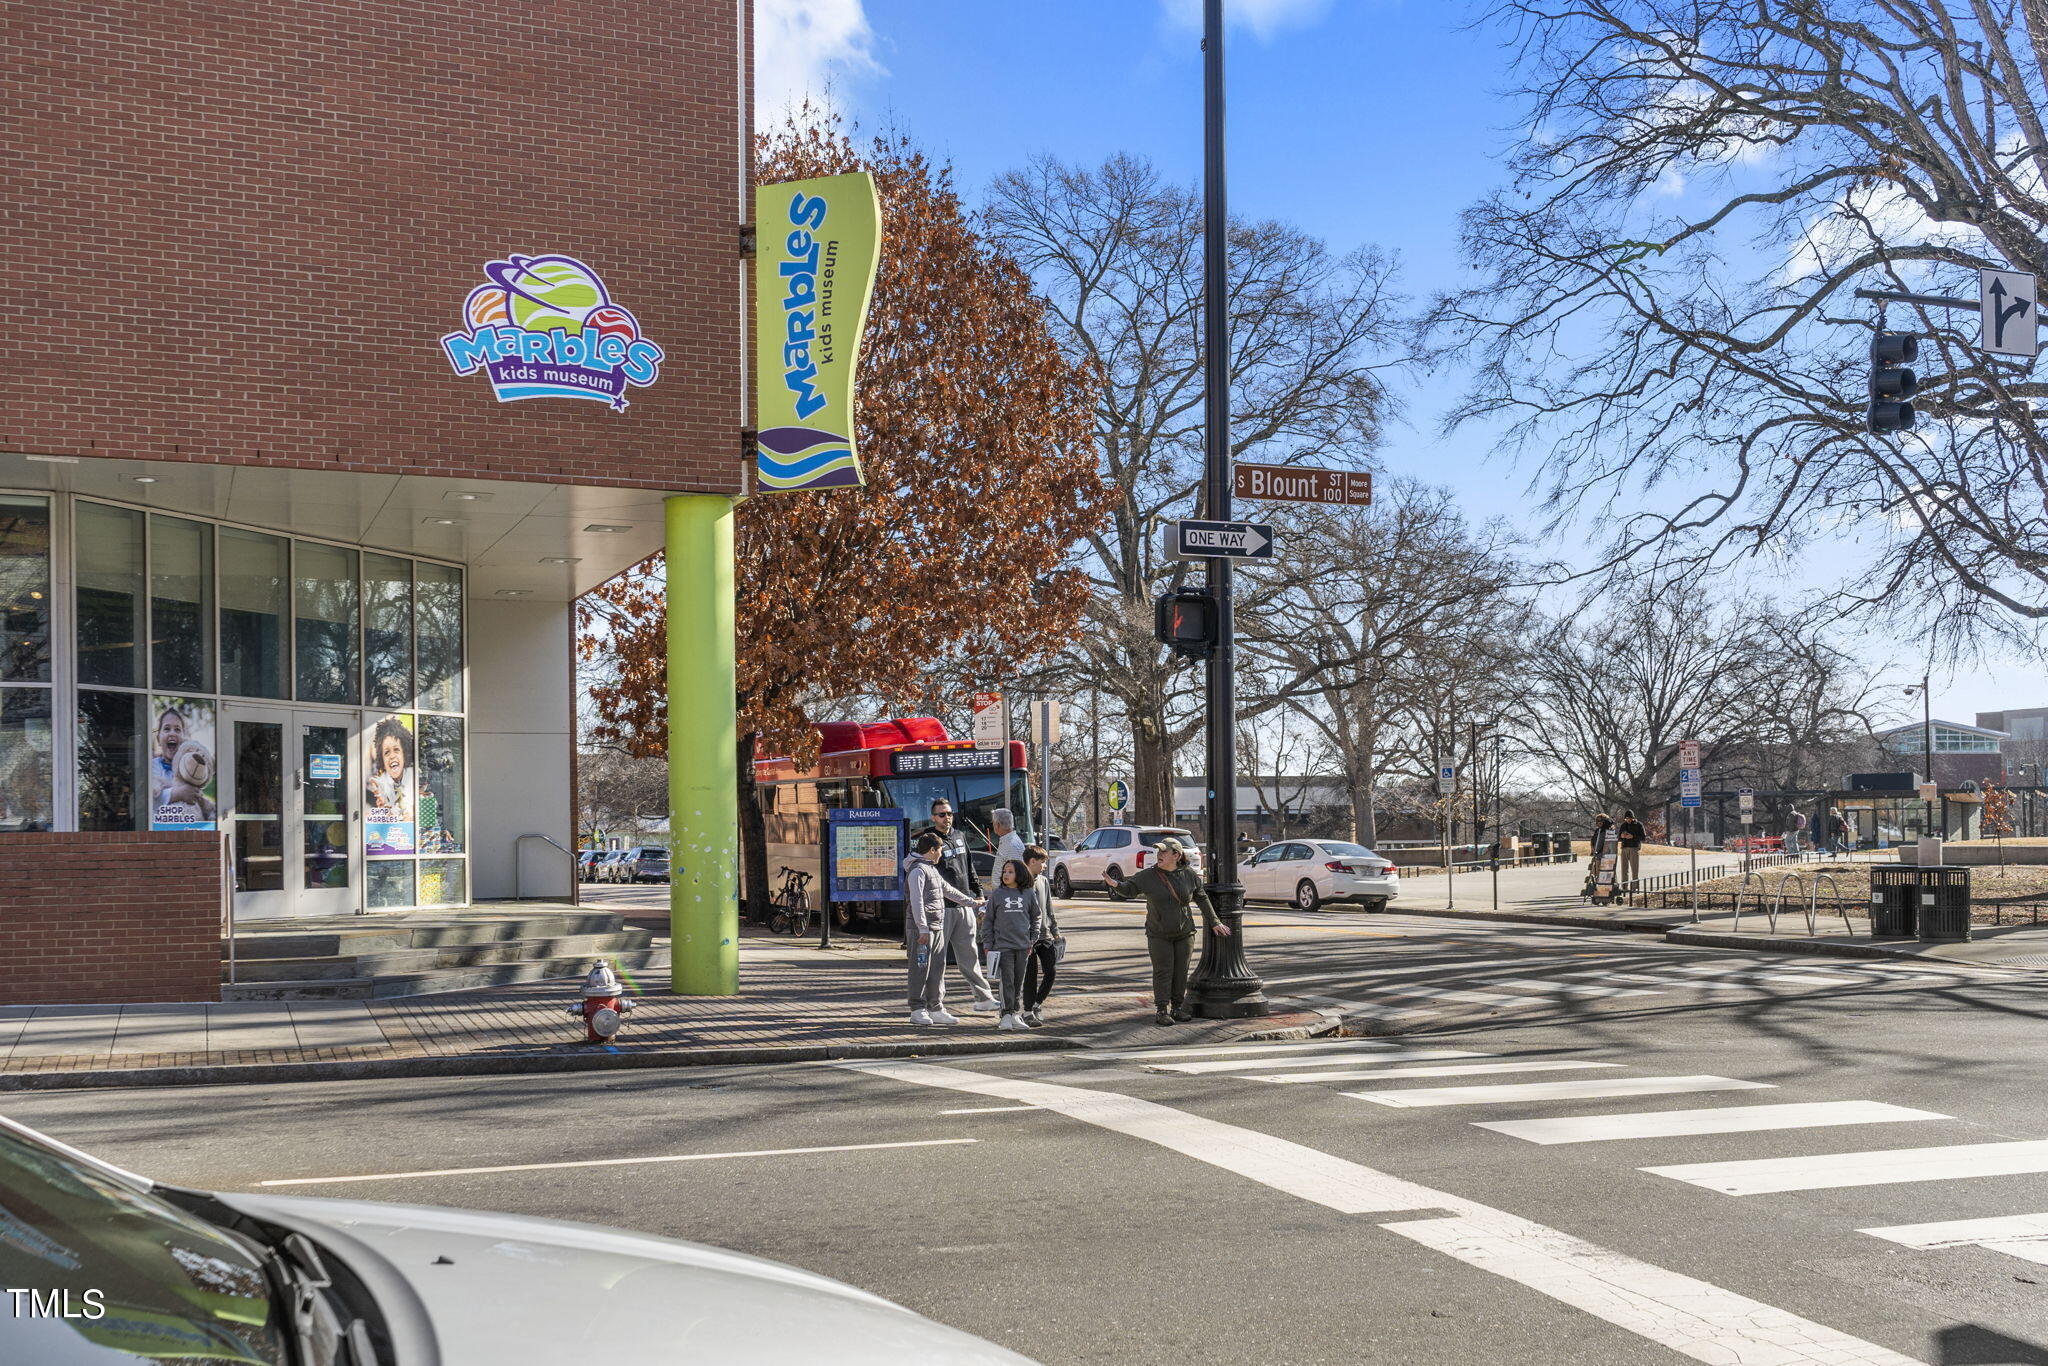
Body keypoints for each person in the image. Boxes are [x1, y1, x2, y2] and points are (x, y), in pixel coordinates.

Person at [1106, 837, 1228, 1025]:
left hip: (1185, 932)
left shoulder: (1189, 875)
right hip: (1158, 933)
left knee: (1181, 971)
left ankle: (1177, 1008)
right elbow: (1130, 889)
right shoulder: (1148, 875)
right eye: (1158, 851)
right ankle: (1162, 1010)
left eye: (1164, 851)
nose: (1159, 855)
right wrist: (1116, 885)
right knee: (1163, 971)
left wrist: (1214, 922)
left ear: (1176, 855)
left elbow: (1202, 898)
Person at [913, 798, 997, 1012]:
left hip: (964, 905)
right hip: (942, 909)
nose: (946, 817)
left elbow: (969, 868)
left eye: (949, 813)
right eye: (941, 814)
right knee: (938, 961)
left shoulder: (960, 836)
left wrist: (977, 893)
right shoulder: (928, 840)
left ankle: (983, 998)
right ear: (933, 817)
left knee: (970, 955)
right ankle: (936, 1005)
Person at [902, 832, 980, 1027]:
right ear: (932, 850)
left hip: (936, 926)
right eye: (940, 851)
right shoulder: (918, 870)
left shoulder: (932, 870)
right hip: (922, 930)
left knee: (937, 967)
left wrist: (972, 903)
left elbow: (948, 890)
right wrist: (922, 928)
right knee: (920, 968)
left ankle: (935, 1007)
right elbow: (916, 901)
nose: (941, 855)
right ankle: (917, 1009)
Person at [978, 858, 1044, 1032]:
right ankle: (1005, 1015)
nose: (1006, 874)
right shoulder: (997, 894)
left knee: (1018, 981)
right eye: (1005, 871)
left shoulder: (1029, 893)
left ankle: (1015, 1013)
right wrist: (988, 943)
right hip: (1003, 946)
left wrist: (1033, 937)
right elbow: (988, 921)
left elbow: (1036, 915)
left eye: (1010, 872)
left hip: (1023, 946)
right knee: (1007, 980)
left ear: (1020, 874)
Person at [1022, 844, 1060, 1027]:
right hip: (1026, 937)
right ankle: (1028, 1011)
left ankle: (1037, 1003)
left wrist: (1055, 931)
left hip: (1044, 936)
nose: (1044, 866)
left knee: (1051, 971)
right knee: (1030, 975)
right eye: (1042, 863)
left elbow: (1048, 908)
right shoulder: (1020, 882)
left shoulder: (1043, 881)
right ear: (1032, 862)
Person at [1582, 813, 1614, 896]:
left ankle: (1604, 892)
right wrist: (1592, 849)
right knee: (1596, 874)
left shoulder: (1608, 830)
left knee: (1604, 875)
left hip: (1605, 857)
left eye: (1601, 821)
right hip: (1597, 856)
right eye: (1598, 821)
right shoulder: (1598, 831)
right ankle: (1597, 890)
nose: (1599, 823)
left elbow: (1608, 844)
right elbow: (1594, 841)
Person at [1616, 809, 1646, 885]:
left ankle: (1634, 887)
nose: (1628, 820)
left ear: (1633, 818)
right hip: (1624, 848)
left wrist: (1633, 836)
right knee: (1624, 870)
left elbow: (1643, 837)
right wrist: (1622, 836)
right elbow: (1618, 838)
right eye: (1626, 818)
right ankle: (1624, 887)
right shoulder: (1623, 825)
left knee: (1634, 870)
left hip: (1634, 848)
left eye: (1629, 818)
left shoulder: (1639, 825)